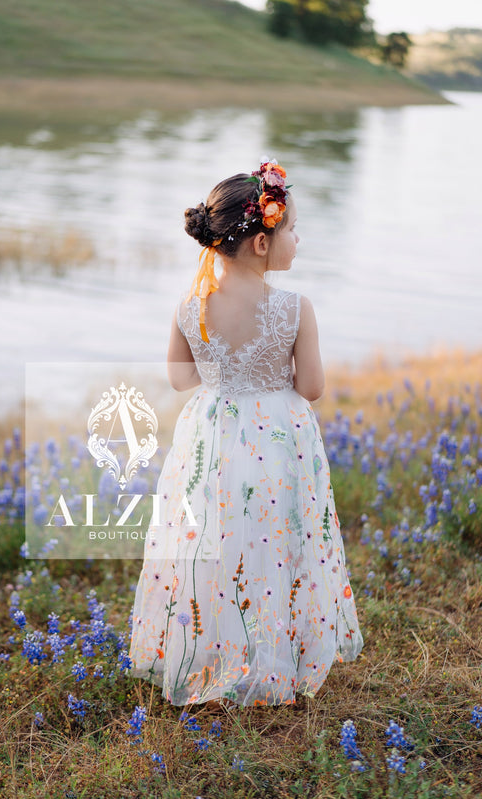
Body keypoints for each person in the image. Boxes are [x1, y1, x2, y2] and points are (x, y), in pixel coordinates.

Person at [129, 159, 363, 707]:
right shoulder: (294, 308)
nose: (297, 240)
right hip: (277, 440)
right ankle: (277, 654)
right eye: (292, 230)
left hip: (211, 437)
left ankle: (206, 650)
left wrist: (223, 370)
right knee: (276, 542)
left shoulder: (192, 307)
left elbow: (179, 378)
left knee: (211, 538)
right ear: (261, 242)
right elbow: (312, 386)